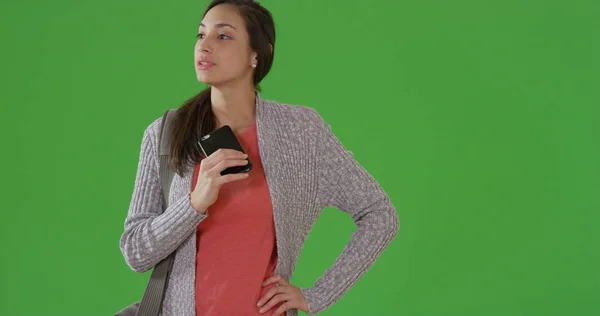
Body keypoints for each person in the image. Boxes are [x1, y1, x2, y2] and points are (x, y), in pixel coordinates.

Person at [119, 0, 400, 315]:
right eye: (201, 35)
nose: (204, 46)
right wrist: (194, 203)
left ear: (257, 54)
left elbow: (379, 214)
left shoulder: (301, 133)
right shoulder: (166, 134)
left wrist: (318, 295)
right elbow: (136, 251)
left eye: (222, 36)